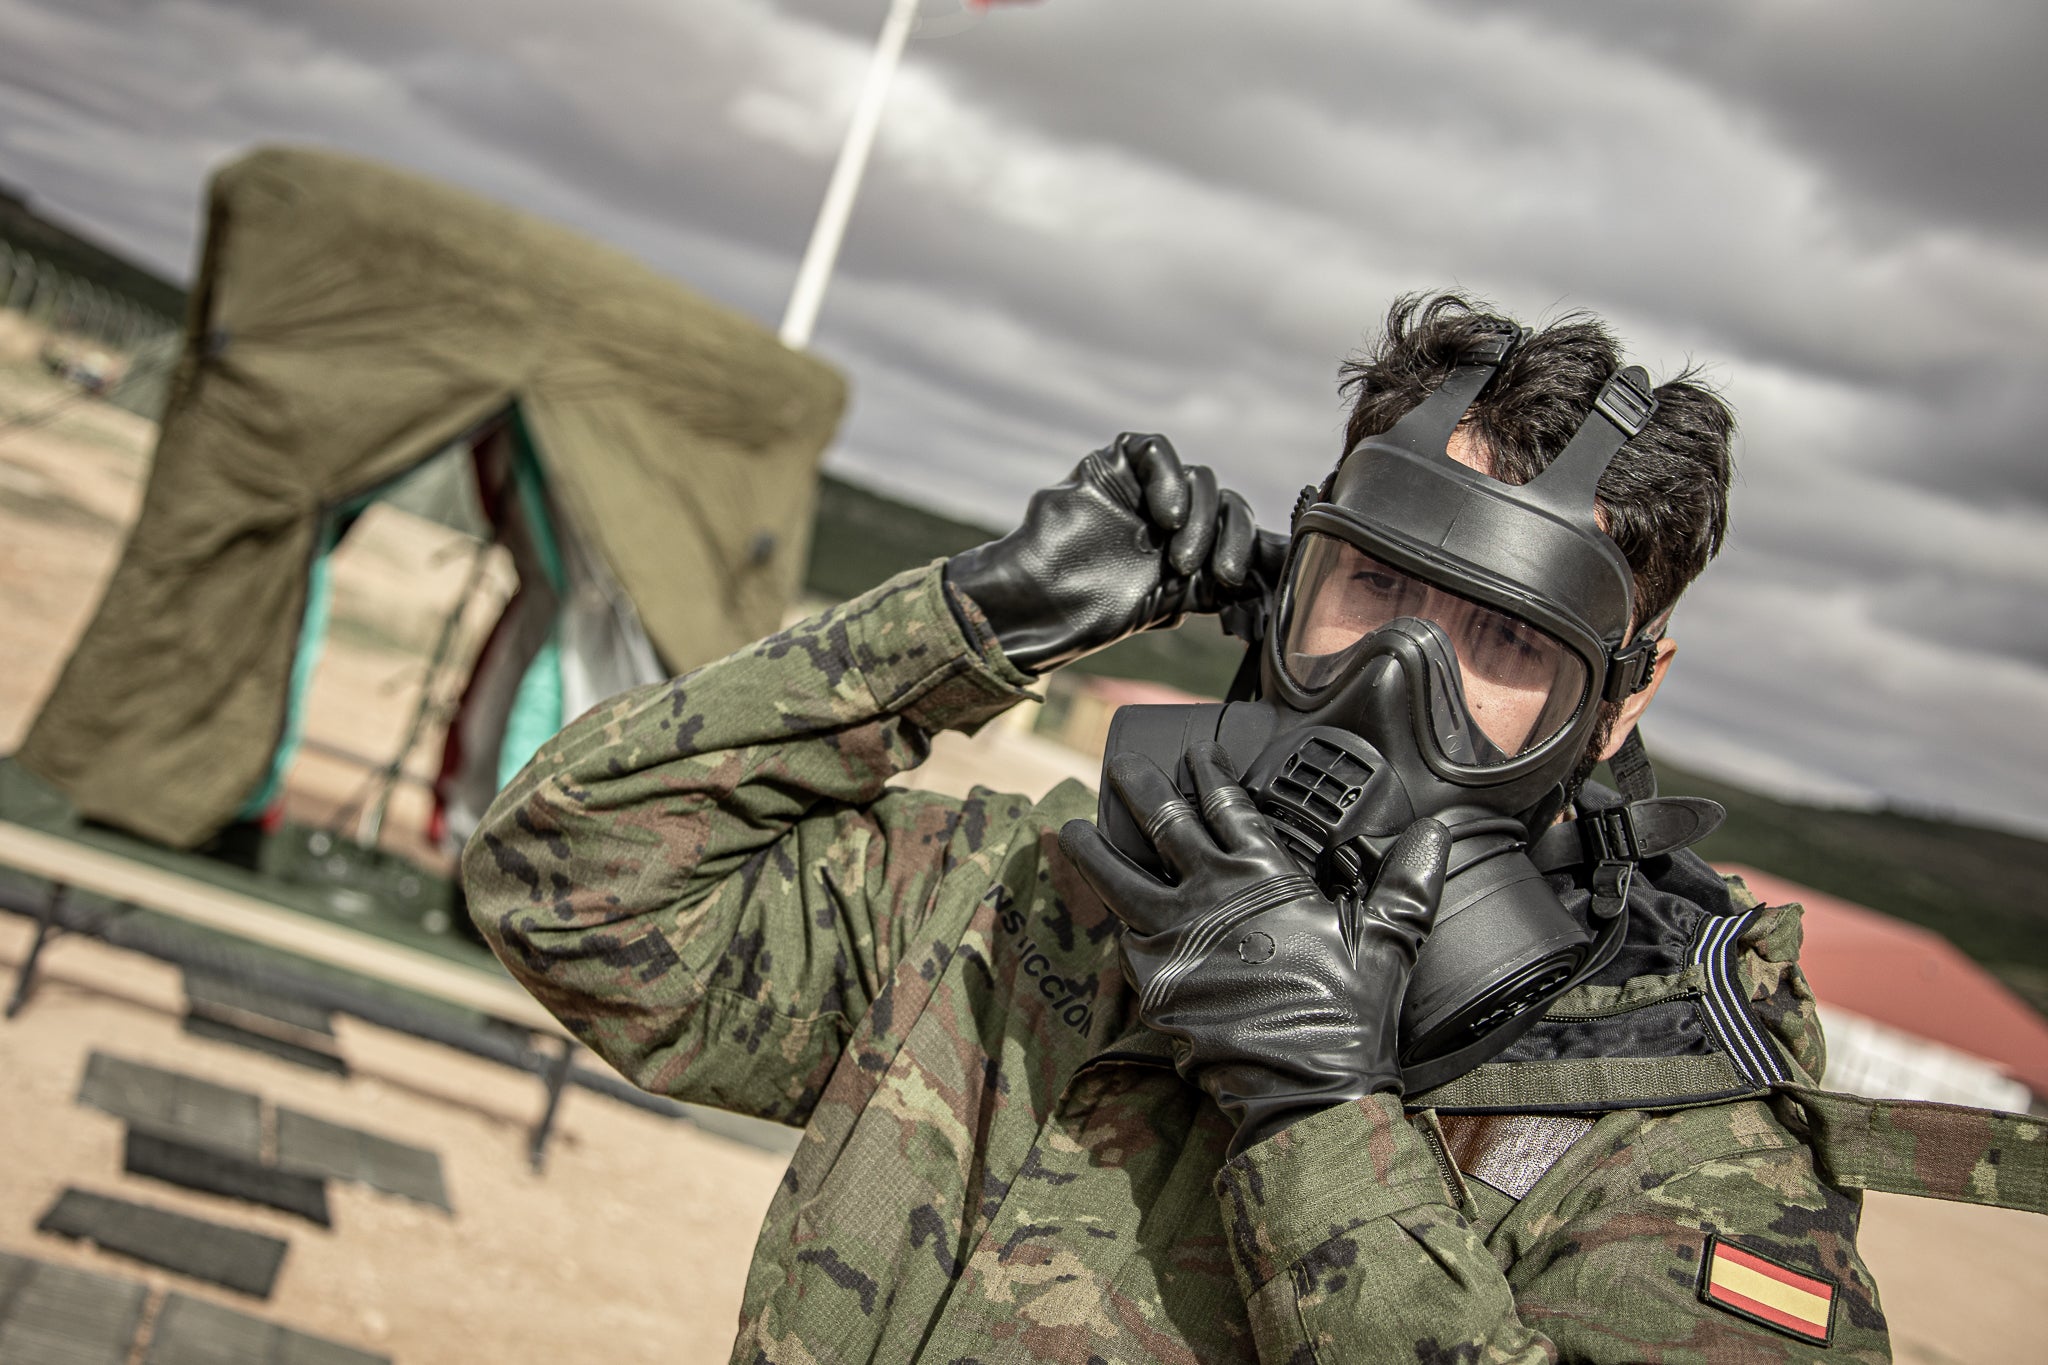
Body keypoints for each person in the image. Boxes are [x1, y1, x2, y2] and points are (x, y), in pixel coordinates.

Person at [463, 293, 2025, 1362]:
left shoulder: (1674, 1142)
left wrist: (1324, 1126)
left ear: (1619, 702)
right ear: (1289, 573)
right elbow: (562, 880)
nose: (1397, 682)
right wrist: (970, 621)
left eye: (1504, 648)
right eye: (1373, 592)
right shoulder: (1032, 904)